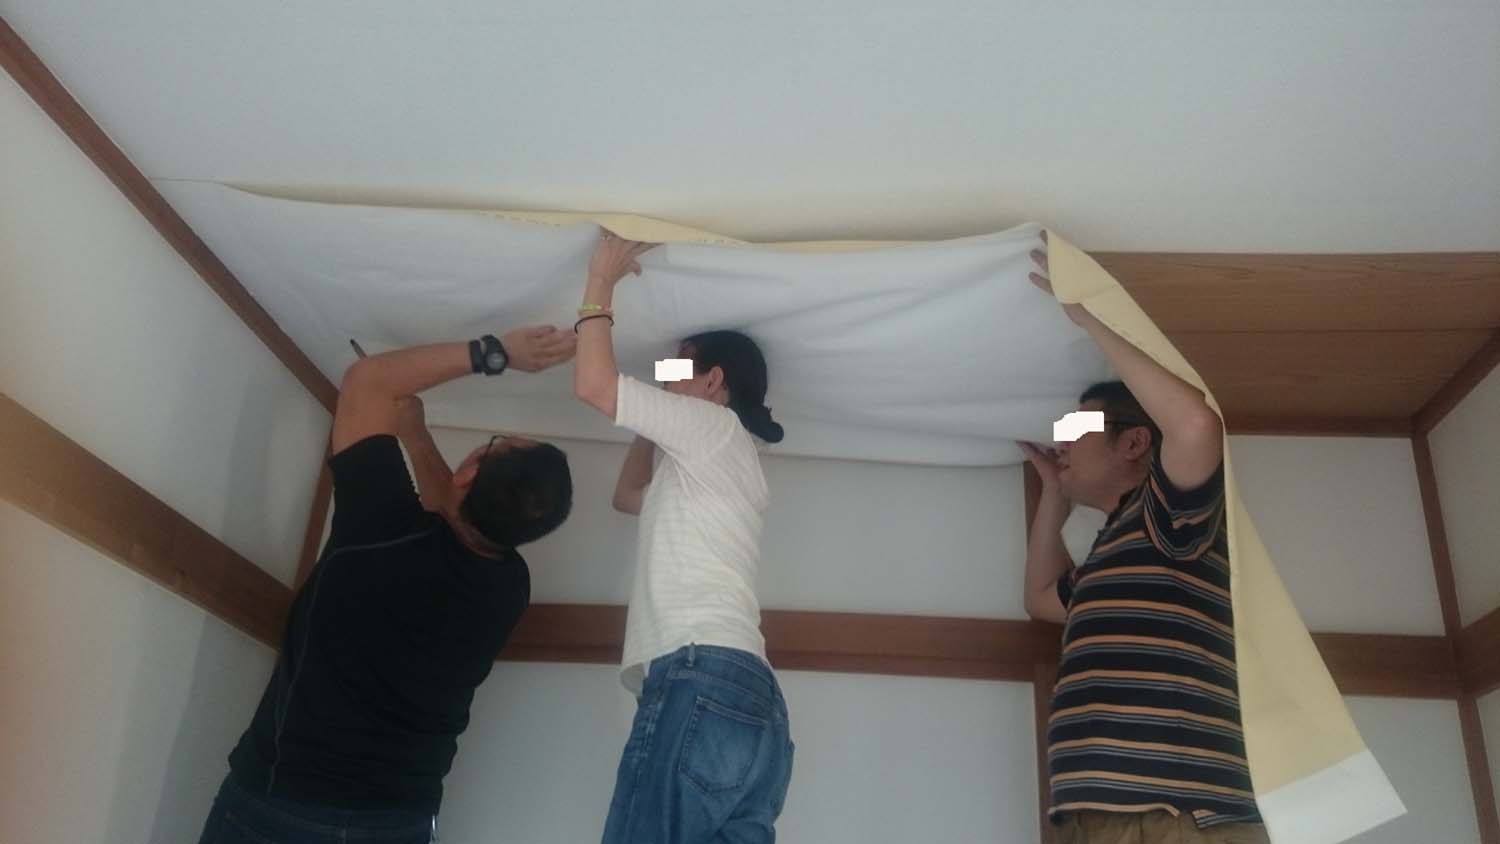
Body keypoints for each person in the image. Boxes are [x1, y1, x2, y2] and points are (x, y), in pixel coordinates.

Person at [198, 327, 577, 844]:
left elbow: (368, 381)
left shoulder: (390, 533)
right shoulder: (506, 584)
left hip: (289, 802)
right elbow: (456, 514)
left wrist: (499, 353)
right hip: (393, 820)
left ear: (469, 472)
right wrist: (414, 435)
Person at [1020, 233, 1269, 844]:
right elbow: (1042, 599)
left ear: (1134, 441)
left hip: (1170, 814)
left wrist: (1087, 316)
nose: (1061, 439)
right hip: (1118, 816)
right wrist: (1052, 493)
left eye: (1077, 426)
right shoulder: (1117, 549)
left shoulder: (1169, 518)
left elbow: (1195, 425)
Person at [572, 230, 795, 843]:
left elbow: (593, 384)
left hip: (703, 677)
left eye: (679, 366)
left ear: (713, 380)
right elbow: (627, 497)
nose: (666, 376)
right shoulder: (717, 459)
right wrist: (654, 415)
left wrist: (600, 281)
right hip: (750, 701)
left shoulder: (711, 429)